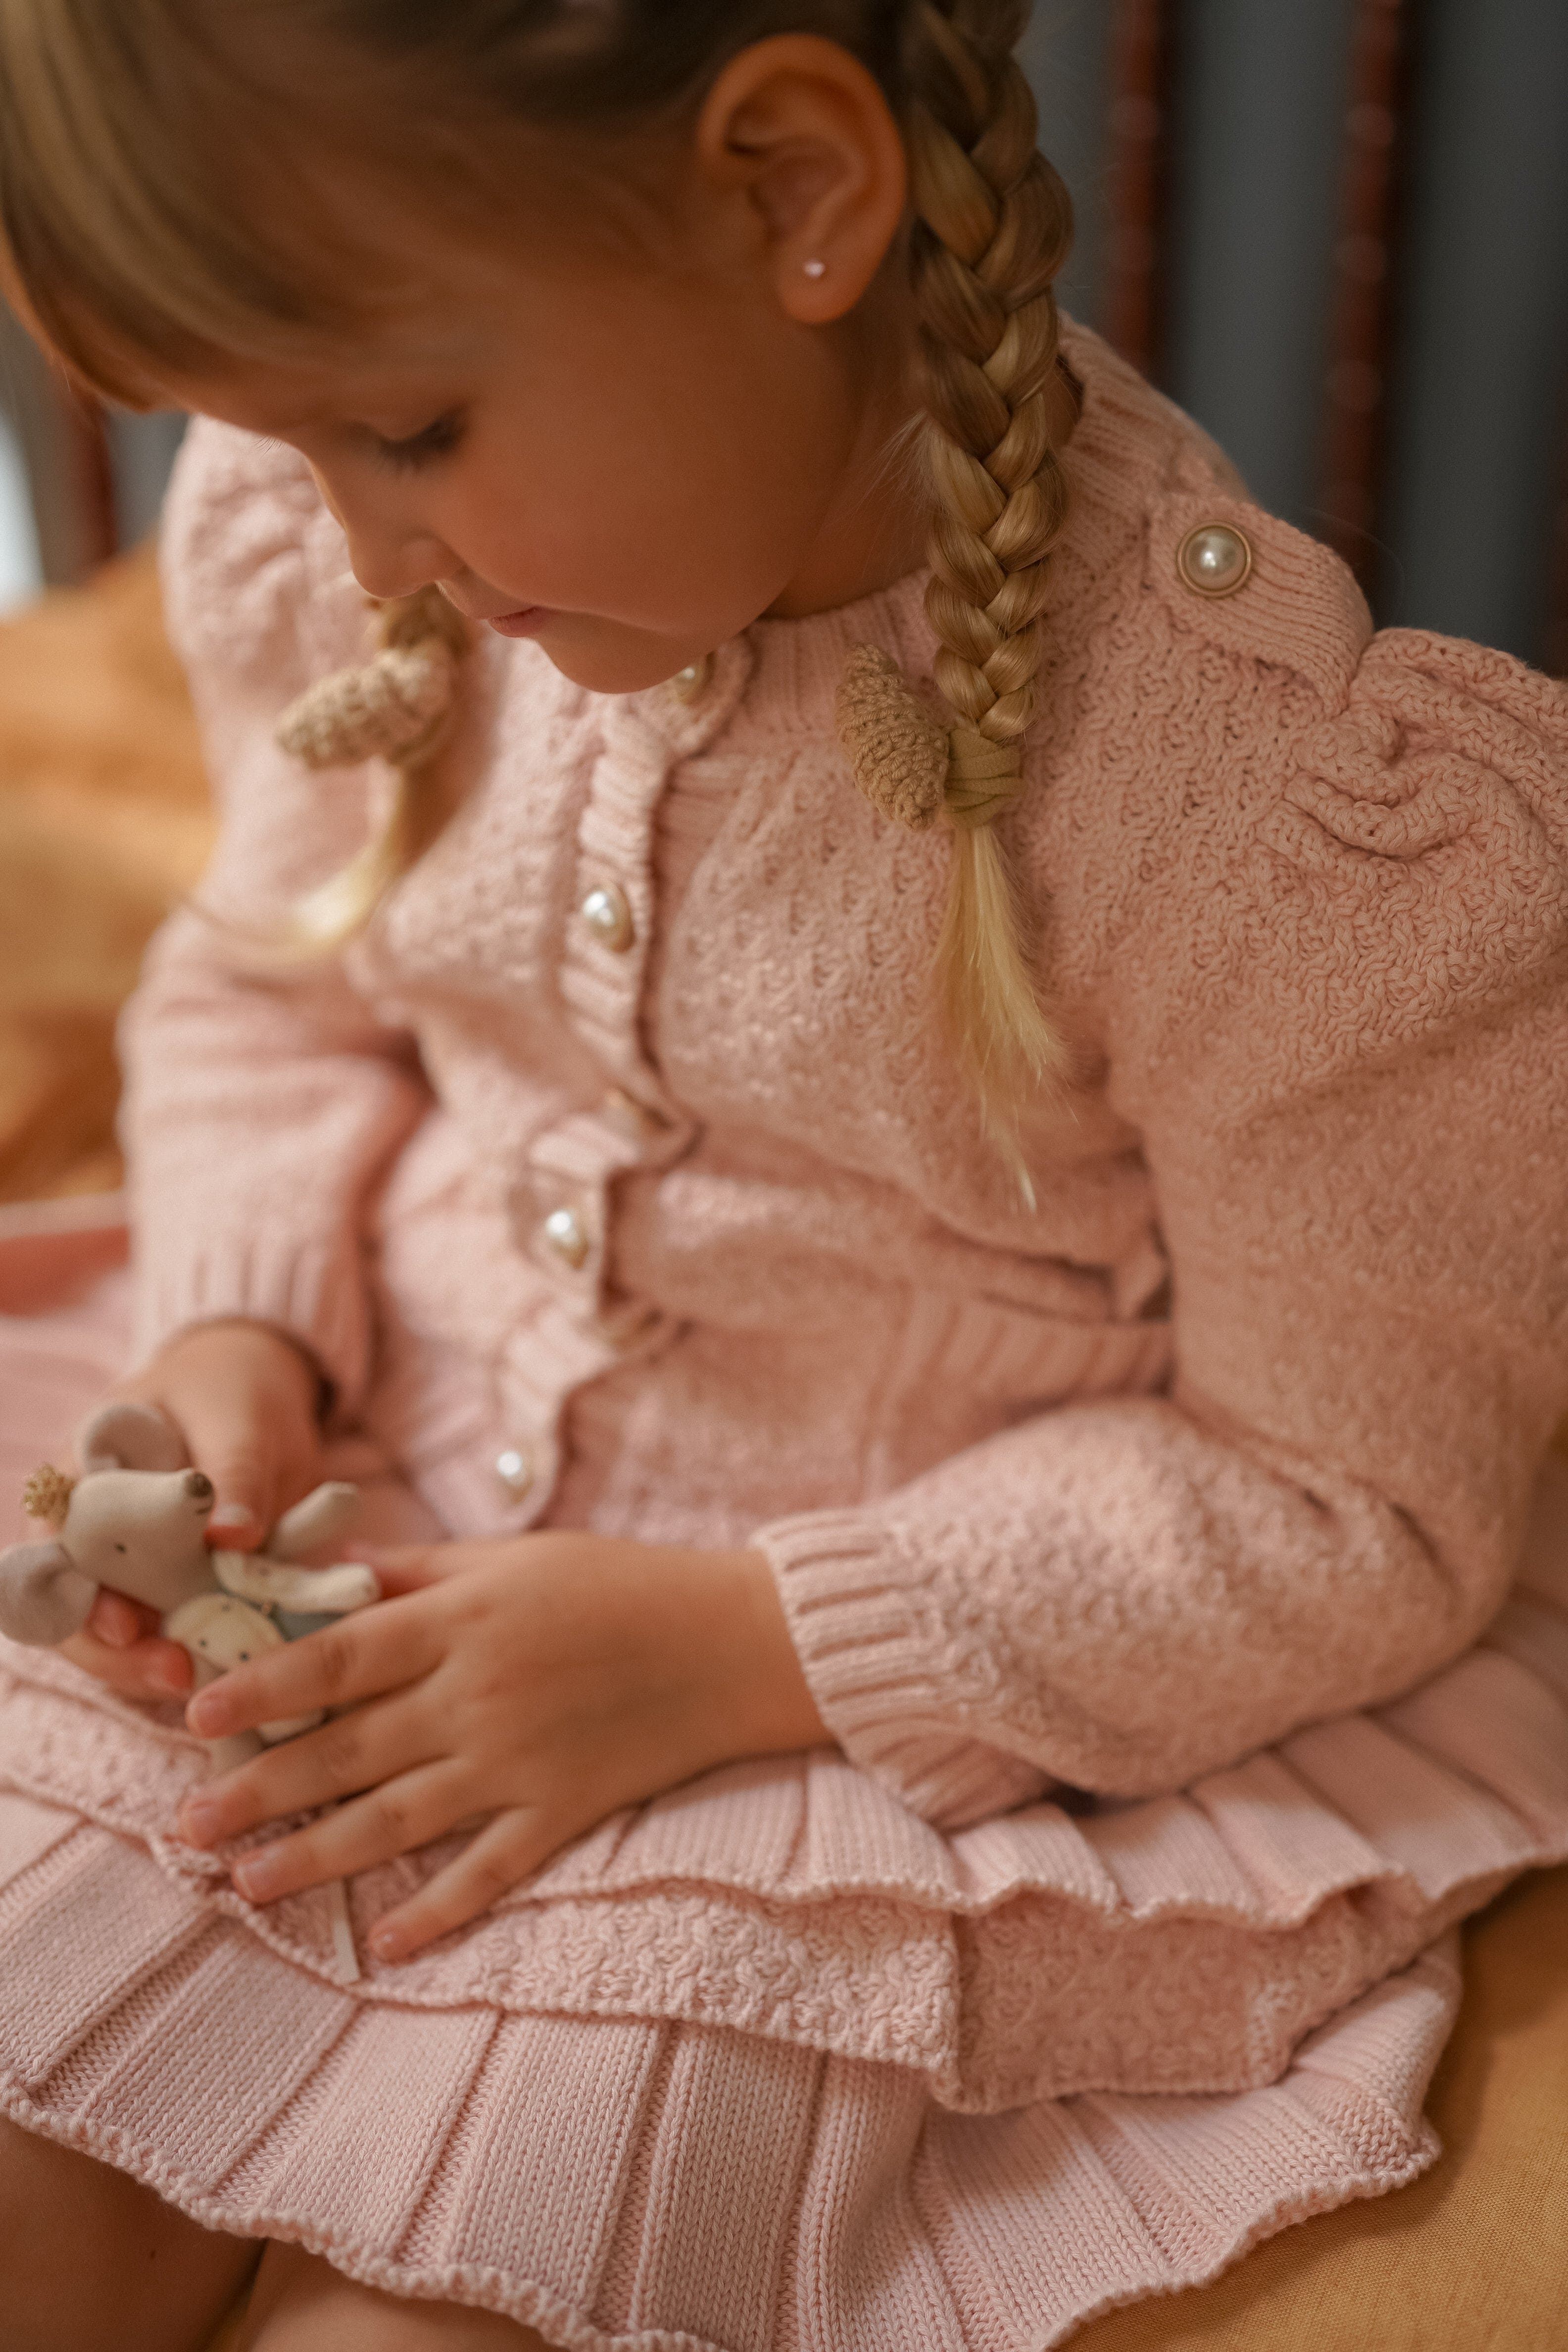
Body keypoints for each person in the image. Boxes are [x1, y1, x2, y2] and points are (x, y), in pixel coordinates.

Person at [1, 5, 1567, 2348]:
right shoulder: (339, 553)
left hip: (851, 1713)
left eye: (406, 430)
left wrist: (738, 1649)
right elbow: (272, 981)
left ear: (798, 195)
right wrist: (239, 1331)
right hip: (364, 1531)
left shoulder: (1262, 819)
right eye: (281, 438)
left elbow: (1355, 1497)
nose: (354, 546)